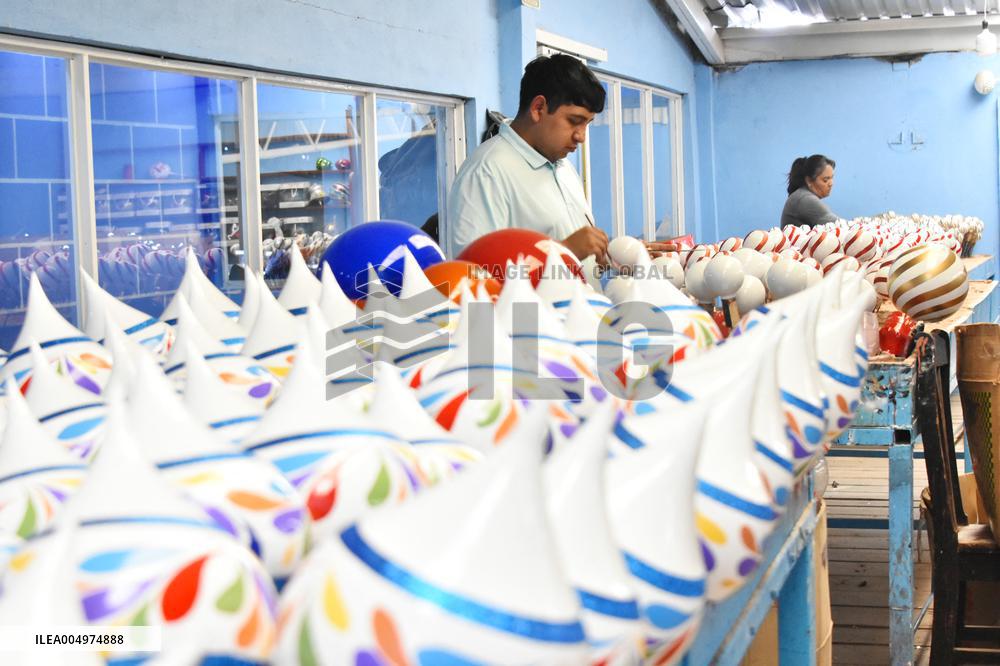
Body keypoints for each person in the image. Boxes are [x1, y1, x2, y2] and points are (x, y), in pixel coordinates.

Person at [447, 55, 673, 265]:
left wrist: (617, 256)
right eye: (575, 121)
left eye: (587, 124)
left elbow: (580, 256)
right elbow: (475, 276)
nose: (581, 136)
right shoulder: (486, 173)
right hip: (530, 311)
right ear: (538, 108)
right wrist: (564, 251)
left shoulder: (562, 168)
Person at [780, 154, 839, 228]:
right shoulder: (804, 199)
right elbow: (841, 227)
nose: (831, 183)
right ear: (809, 181)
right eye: (825, 180)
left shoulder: (801, 196)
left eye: (832, 178)